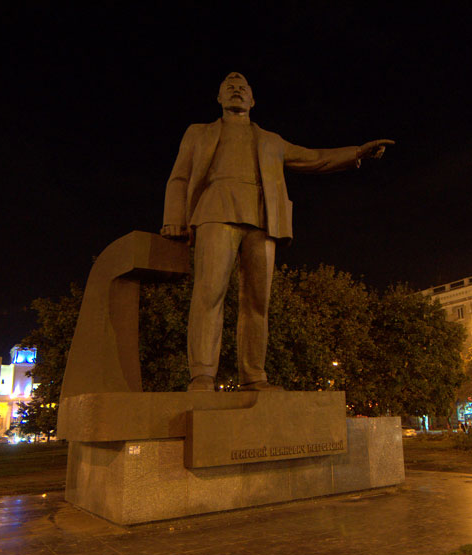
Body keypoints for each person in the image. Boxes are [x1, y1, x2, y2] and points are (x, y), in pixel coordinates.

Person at [161, 73, 393, 391]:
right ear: (219, 99)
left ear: (253, 100)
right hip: (216, 211)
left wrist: (355, 153)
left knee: (258, 301)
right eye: (229, 88)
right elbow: (180, 176)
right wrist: (174, 218)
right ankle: (202, 374)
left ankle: (254, 376)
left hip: (263, 218)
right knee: (208, 294)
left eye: (243, 88)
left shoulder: (271, 140)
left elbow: (315, 158)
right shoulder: (199, 133)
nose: (236, 91)